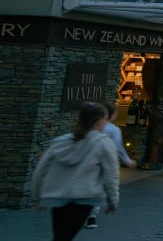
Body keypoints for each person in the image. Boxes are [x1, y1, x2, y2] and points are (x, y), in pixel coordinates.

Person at [32, 101, 120, 241]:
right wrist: (113, 200)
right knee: (64, 236)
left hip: (58, 196)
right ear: (99, 121)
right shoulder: (103, 143)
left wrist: (38, 196)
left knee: (60, 235)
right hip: (84, 197)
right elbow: (111, 175)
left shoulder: (60, 142)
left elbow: (40, 170)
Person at [84, 103, 136, 229]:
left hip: (89, 160)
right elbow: (118, 147)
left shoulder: (89, 127)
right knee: (100, 188)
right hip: (105, 162)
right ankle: (92, 216)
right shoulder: (114, 130)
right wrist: (127, 161)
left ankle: (81, 210)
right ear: (111, 115)